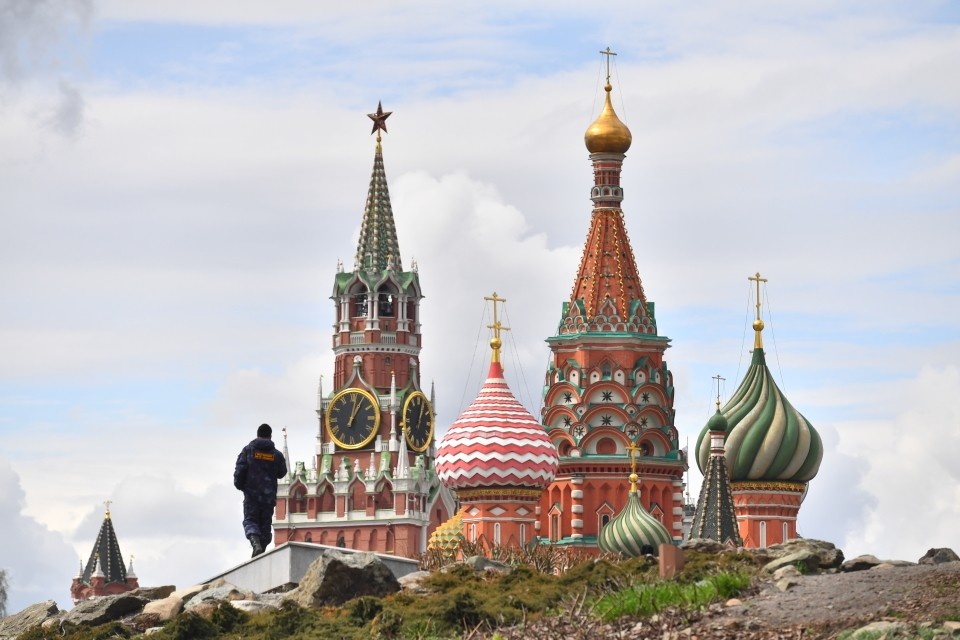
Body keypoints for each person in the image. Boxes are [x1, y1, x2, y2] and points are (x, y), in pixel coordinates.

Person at [233, 423, 287, 557]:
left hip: (251, 496)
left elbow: (239, 471)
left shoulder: (248, 451)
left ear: (257, 435)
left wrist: (241, 486)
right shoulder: (276, 455)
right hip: (268, 498)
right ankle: (260, 551)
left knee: (251, 520)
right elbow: (282, 472)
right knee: (265, 526)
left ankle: (255, 543)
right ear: (270, 436)